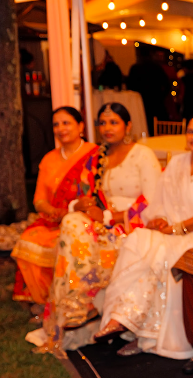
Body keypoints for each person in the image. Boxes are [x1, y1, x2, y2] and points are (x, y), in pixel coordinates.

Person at [95, 113, 193, 358]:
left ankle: (136, 327)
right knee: (138, 239)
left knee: (162, 253)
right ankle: (126, 320)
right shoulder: (177, 162)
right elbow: (159, 202)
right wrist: (159, 219)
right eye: (191, 131)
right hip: (172, 231)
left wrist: (175, 229)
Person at [40, 103, 161, 352]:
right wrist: (78, 205)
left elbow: (152, 203)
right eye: (103, 123)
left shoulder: (142, 154)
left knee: (76, 231)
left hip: (132, 227)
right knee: (72, 221)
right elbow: (82, 196)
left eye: (114, 122)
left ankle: (81, 303)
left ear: (128, 126)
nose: (107, 128)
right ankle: (76, 306)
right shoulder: (96, 158)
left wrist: (108, 217)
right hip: (101, 226)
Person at [12, 107, 99, 305]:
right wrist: (54, 211)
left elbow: (98, 196)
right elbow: (39, 200)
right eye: (56, 125)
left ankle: (70, 298)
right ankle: (43, 299)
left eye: (66, 123)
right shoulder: (49, 159)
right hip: (54, 220)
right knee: (28, 239)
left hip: (84, 220)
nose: (61, 129)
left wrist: (71, 211)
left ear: (81, 127)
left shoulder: (94, 155)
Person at [126, 48, 170, 135]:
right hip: (156, 102)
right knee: (158, 130)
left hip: (142, 103)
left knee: (144, 126)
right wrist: (161, 96)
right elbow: (167, 85)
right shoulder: (157, 67)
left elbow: (130, 86)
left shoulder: (135, 68)